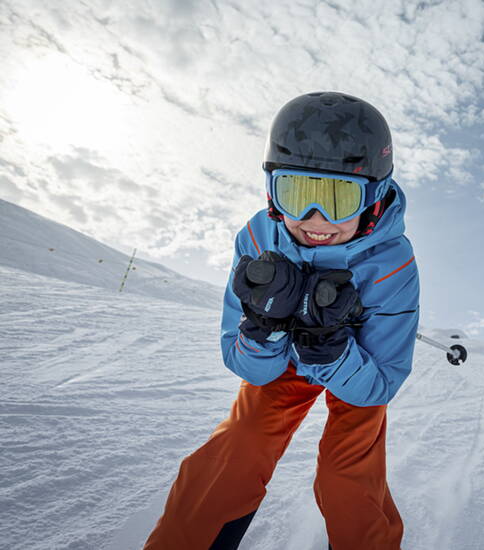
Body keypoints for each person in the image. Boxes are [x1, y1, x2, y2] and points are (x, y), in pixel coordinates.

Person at [144, 92, 419, 550]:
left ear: (374, 196)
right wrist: (264, 327)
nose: (316, 220)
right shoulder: (257, 237)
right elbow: (247, 364)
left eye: (338, 197)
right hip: (287, 362)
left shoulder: (392, 264)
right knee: (236, 452)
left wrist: (331, 348)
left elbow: (381, 384)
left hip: (358, 367)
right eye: (296, 193)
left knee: (346, 477)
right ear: (271, 190)